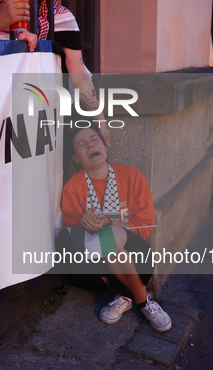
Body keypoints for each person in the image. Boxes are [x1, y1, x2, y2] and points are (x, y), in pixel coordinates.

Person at [60, 124, 171, 332]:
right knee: (102, 239)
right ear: (75, 157)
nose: (90, 144)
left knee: (109, 235)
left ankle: (126, 296)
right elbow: (73, 232)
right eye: (81, 144)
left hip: (137, 257)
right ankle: (141, 299)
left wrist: (111, 225)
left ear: (105, 145)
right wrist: (89, 226)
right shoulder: (73, 187)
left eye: (94, 139)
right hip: (98, 263)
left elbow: (145, 225)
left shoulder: (132, 176)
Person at [0, 0, 109, 145]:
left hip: (44, 115)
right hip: (3, 114)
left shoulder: (60, 17)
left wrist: (101, 123)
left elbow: (79, 74)